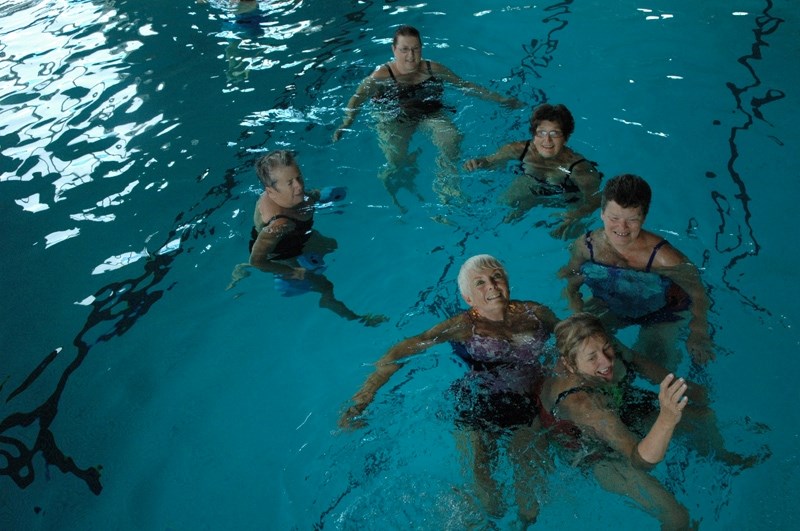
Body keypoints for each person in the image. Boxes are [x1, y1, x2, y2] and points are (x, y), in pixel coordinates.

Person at [339, 254, 558, 525]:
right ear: (468, 298)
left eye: (496, 277)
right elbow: (400, 351)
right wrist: (364, 397)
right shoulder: (465, 325)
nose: (491, 286)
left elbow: (576, 340)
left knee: (530, 503)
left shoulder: (536, 314)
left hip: (527, 403)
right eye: (479, 283)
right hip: (479, 401)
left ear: (507, 281)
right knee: (489, 498)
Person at [540, 313, 762, 530]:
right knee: (677, 518)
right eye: (592, 358)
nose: (606, 361)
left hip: (622, 410)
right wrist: (666, 419)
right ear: (570, 365)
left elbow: (649, 368)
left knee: (702, 417)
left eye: (607, 348)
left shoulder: (598, 346)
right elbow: (641, 462)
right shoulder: (583, 406)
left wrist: (692, 392)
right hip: (595, 452)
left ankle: (722, 456)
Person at [332, 25, 524, 212]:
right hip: (394, 118)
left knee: (452, 138)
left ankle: (446, 182)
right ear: (394, 50)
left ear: (421, 48)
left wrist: (502, 99)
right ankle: (395, 179)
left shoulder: (433, 69)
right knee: (397, 162)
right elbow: (356, 99)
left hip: (429, 113)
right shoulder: (381, 76)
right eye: (404, 50)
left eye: (415, 49)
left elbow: (466, 86)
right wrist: (346, 123)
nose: (411, 56)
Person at [559, 174, 713, 368]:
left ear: (644, 217)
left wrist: (698, 331)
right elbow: (570, 278)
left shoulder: (664, 258)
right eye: (614, 218)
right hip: (613, 304)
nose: (621, 228)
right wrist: (577, 312)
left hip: (663, 312)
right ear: (602, 213)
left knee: (655, 362)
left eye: (632, 220)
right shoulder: (587, 246)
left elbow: (697, 292)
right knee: (579, 348)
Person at [228, 150, 386, 326]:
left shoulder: (288, 195)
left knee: (332, 245)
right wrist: (290, 271)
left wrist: (319, 196)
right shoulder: (278, 224)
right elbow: (258, 260)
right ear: (271, 192)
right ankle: (351, 315)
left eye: (299, 177)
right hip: (283, 253)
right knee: (326, 286)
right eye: (290, 183)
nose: (299, 186)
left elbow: (306, 196)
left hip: (298, 237)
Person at [463, 103, 602, 239]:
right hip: (534, 187)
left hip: (566, 198)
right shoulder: (518, 149)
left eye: (555, 134)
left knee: (567, 236)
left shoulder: (579, 168)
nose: (547, 140)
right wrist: (477, 162)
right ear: (533, 134)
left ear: (566, 138)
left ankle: (531, 205)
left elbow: (596, 199)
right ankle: (528, 204)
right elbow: (489, 161)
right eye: (541, 133)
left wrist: (577, 214)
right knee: (501, 206)